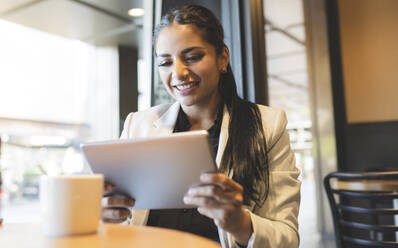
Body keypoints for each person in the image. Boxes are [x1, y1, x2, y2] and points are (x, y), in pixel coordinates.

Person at [102, 5, 301, 248]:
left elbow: (287, 238)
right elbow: (125, 225)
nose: (178, 73)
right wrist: (106, 216)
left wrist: (240, 222)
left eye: (193, 57)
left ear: (222, 58)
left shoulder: (268, 126)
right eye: (165, 62)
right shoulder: (138, 125)